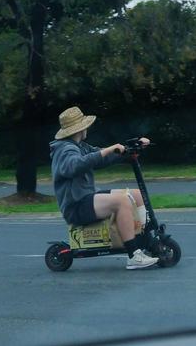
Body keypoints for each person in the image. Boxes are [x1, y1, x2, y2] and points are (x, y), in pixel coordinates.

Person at [49, 106, 159, 270]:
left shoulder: (80, 146)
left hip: (86, 199)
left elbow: (101, 158)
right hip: (76, 206)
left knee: (136, 194)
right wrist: (108, 150)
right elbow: (74, 166)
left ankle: (146, 238)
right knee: (122, 202)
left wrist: (131, 150)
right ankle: (134, 255)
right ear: (81, 128)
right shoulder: (65, 149)